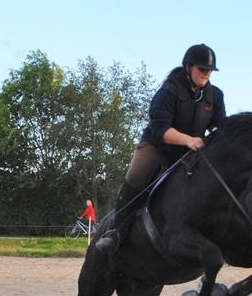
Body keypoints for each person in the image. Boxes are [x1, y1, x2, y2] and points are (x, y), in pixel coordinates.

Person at [94, 44, 227, 253]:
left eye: (209, 71)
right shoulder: (169, 91)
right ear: (188, 67)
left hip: (191, 153)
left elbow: (221, 128)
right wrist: (189, 140)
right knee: (137, 176)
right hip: (158, 147)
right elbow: (161, 130)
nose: (206, 74)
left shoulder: (215, 95)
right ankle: (115, 231)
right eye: (202, 69)